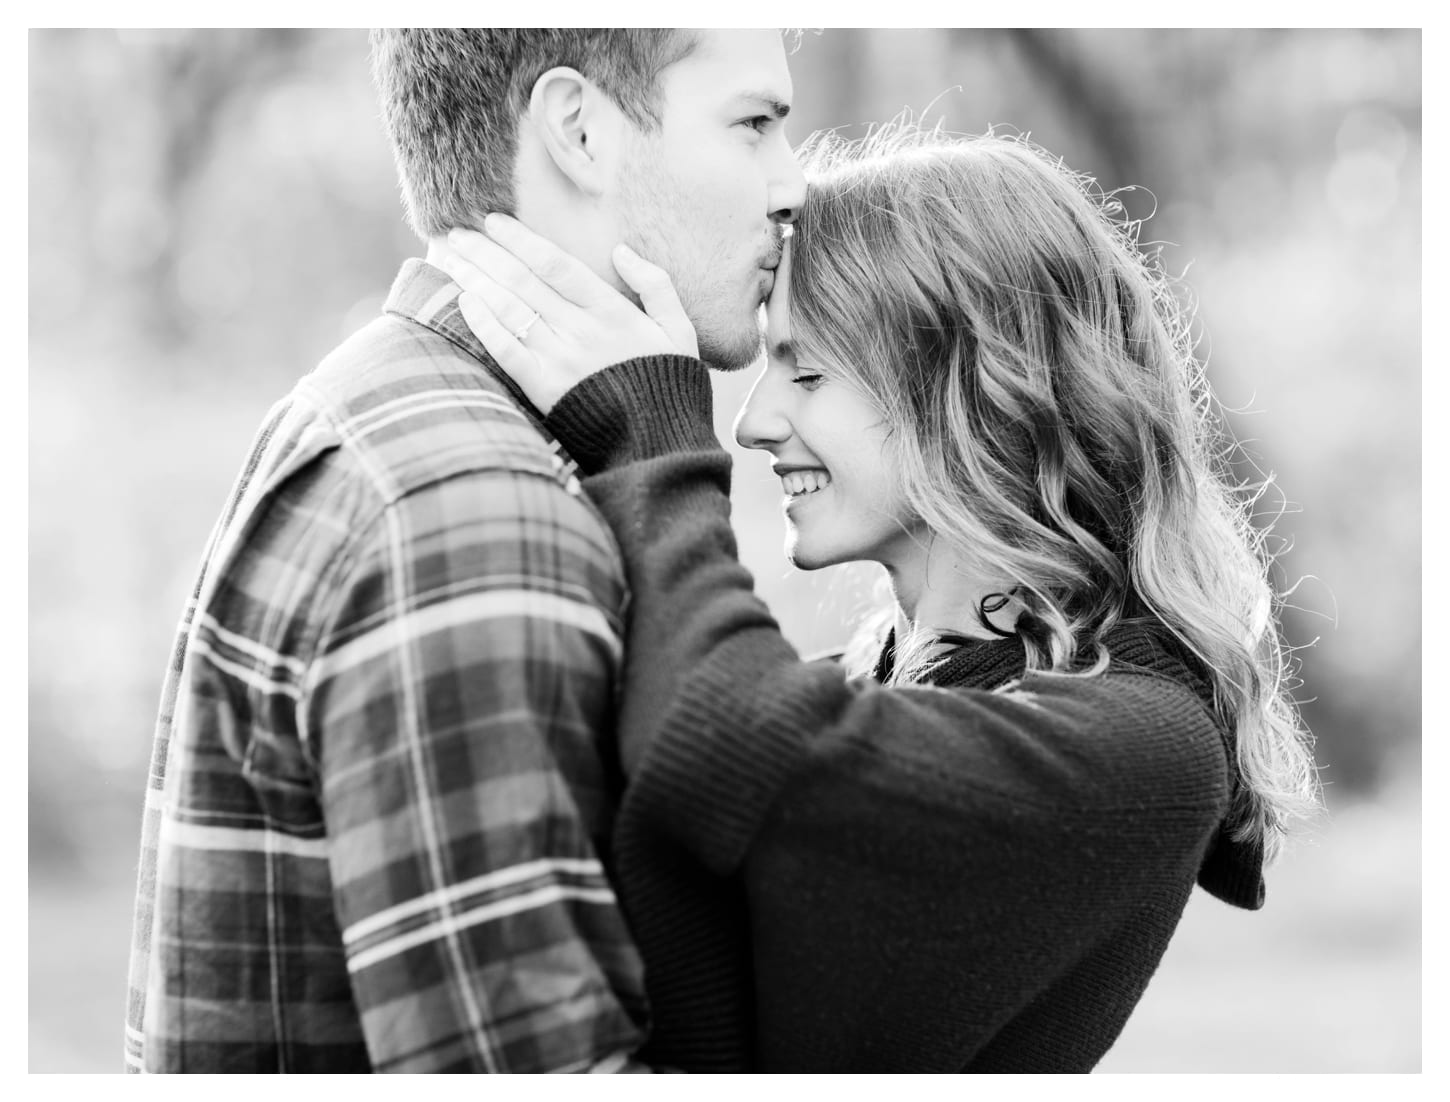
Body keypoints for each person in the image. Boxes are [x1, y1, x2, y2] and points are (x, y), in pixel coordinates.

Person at [437, 121, 1322, 1072]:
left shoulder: (1143, 746)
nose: (754, 423)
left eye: (807, 372)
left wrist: (650, 429)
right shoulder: (877, 688)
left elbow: (731, 747)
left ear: (977, 389)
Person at [123, 28, 805, 1073]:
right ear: (578, 130)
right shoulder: (472, 507)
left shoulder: (396, 410)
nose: (789, 185)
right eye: (753, 123)